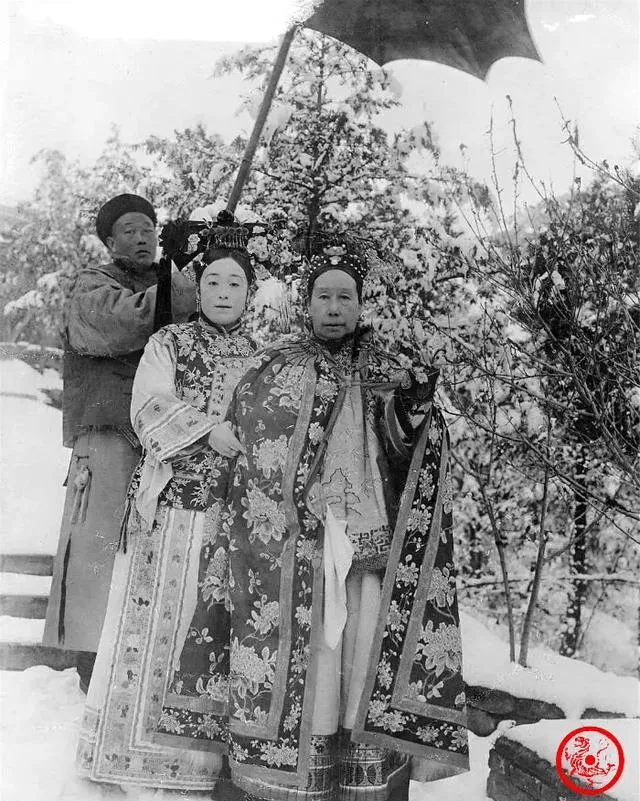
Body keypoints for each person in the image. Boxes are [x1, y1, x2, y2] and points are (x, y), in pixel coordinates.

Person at [157, 244, 469, 800]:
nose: (333, 307)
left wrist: (414, 409)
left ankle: (361, 778)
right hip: (299, 542)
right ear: (307, 304)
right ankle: (295, 780)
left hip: (369, 536)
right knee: (313, 656)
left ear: (360, 305)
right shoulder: (275, 365)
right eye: (323, 296)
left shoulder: (389, 371)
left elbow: (408, 452)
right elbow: (253, 441)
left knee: (361, 654)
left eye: (344, 297)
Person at [76, 220, 263, 796]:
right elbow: (148, 407)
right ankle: (135, 760)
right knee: (161, 621)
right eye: (213, 282)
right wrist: (208, 431)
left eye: (235, 283)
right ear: (197, 289)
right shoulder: (170, 343)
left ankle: (203, 769)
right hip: (173, 506)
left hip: (233, 515)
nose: (224, 293)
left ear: (250, 292)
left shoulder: (265, 358)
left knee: (211, 635)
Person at [43, 194, 196, 691]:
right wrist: (179, 278)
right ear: (110, 242)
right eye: (129, 230)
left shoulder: (169, 282)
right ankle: (87, 664)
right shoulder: (91, 286)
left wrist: (189, 270)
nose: (142, 237)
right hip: (109, 437)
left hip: (163, 437)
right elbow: (124, 322)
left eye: (149, 229)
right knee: (99, 547)